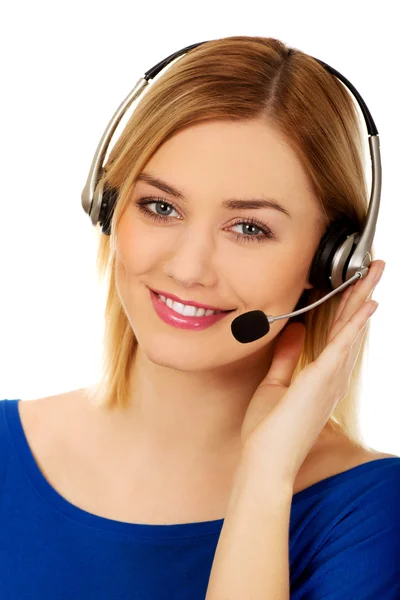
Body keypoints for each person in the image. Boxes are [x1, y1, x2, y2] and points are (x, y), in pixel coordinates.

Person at [1, 35, 399, 599]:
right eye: (160, 207)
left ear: (331, 261)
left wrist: (265, 477)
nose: (189, 269)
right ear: (108, 207)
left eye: (249, 228)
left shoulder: (369, 514)